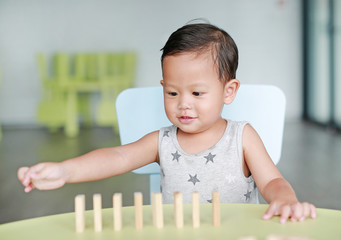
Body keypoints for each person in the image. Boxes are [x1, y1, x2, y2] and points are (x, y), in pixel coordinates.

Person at [18, 23, 316, 224]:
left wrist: (285, 200)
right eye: (172, 92)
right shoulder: (162, 142)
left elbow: (273, 182)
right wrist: (64, 170)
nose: (183, 103)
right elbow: (117, 157)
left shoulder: (242, 136)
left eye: (197, 93)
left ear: (229, 91)